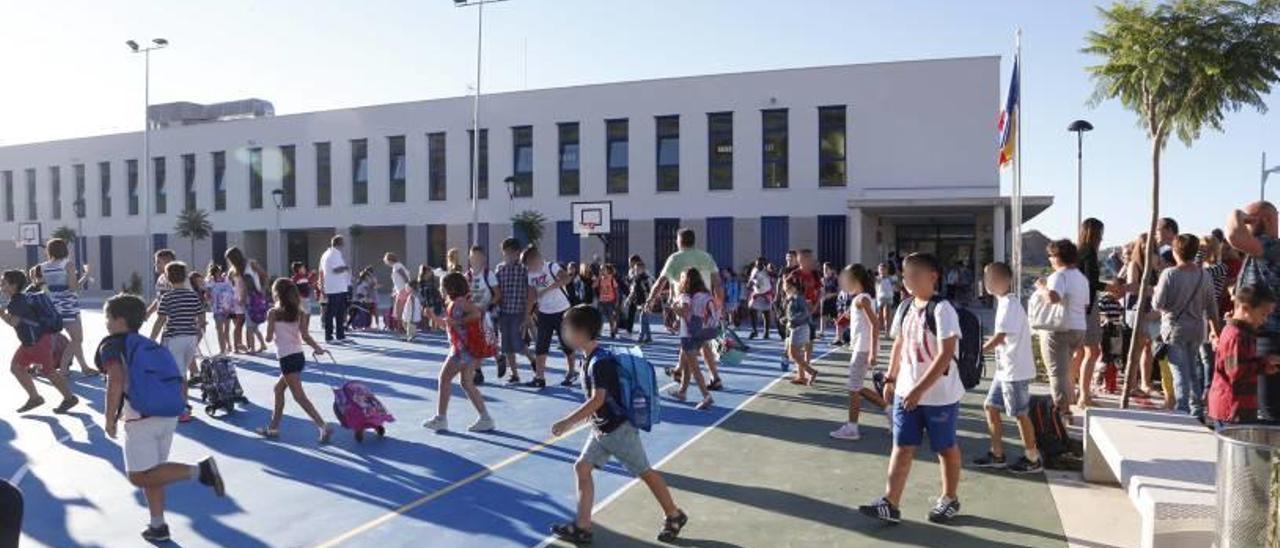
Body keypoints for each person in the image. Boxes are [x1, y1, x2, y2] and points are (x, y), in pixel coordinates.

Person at [549, 304, 689, 544]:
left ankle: (674, 515)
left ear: (581, 332)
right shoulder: (589, 358)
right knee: (582, 468)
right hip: (602, 428)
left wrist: (568, 422)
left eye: (567, 327)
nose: (563, 332)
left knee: (645, 472)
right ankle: (582, 527)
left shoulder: (599, 362)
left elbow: (598, 399)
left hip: (618, 429)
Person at [97, 293, 226, 542]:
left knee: (139, 475)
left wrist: (109, 417)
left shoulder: (112, 345)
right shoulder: (148, 344)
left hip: (139, 415)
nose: (106, 322)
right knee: (153, 473)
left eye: (108, 317)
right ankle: (158, 525)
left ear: (119, 320)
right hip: (167, 414)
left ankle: (201, 471)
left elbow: (115, 380)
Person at [859, 252, 964, 525]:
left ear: (932, 277)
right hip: (906, 393)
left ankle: (950, 498)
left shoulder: (943, 309)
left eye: (915, 274)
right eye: (905, 275)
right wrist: (891, 379)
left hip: (939, 397)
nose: (908, 280)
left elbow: (946, 354)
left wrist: (919, 390)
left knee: (945, 448)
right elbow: (899, 344)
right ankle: (890, 503)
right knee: (902, 446)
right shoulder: (905, 307)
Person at [972, 262, 1042, 473]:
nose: (989, 283)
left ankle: (1032, 458)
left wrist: (976, 351)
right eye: (986, 278)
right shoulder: (1003, 303)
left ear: (1007, 281)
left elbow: (1000, 337)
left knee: (1020, 413)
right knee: (990, 406)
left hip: (1014, 370)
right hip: (1005, 369)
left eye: (993, 278)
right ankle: (997, 454)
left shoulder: (1010, 304)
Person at [252, 278, 334, 444]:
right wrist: (318, 348)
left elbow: (268, 338)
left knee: (299, 396)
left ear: (277, 294)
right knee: (278, 389)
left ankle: (322, 425)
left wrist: (269, 328)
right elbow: (305, 335)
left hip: (286, 358)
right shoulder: (300, 312)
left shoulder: (273, 313)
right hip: (298, 356)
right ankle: (273, 428)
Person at [1152, 234, 1219, 420]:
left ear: (1175, 251)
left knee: (1180, 372)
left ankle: (1183, 411)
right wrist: (1216, 330)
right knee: (1192, 370)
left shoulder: (1170, 274)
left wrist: (1157, 291)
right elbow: (1212, 306)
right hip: (1197, 328)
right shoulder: (1203, 275)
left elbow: (1157, 304)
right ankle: (1196, 410)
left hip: (1175, 329)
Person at [649, 228, 724, 390]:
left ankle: (688, 380)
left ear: (679, 240)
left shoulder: (675, 259)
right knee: (701, 342)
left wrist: (650, 299)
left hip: (687, 307)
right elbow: (717, 282)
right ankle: (685, 372)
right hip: (705, 305)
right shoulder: (706, 257)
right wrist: (719, 305)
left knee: (692, 342)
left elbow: (660, 282)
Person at [423, 272, 496, 433]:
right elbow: (447, 325)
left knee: (444, 378)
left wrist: (458, 321)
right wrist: (433, 317)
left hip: (461, 350)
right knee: (466, 383)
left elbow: (476, 314)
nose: (440, 289)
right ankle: (485, 418)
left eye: (442, 286)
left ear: (450, 288)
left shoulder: (460, 303)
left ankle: (441, 418)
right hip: (466, 350)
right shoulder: (453, 304)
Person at [3, 269, 78, 414]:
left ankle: (69, 398)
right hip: (30, 341)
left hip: (39, 341)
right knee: (16, 367)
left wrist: (2, 315)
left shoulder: (17, 302)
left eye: (4, 283)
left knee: (48, 371)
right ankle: (35, 398)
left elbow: (14, 322)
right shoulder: (20, 299)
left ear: (14, 285)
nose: (1, 286)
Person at [1208, 285, 1279, 429]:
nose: (1265, 320)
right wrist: (1264, 363)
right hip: (1231, 409)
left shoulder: (1245, 333)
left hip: (1240, 406)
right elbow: (1234, 371)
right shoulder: (1235, 336)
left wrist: (1264, 365)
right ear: (1246, 308)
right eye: (1263, 314)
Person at [829, 264, 886, 441]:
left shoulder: (862, 299)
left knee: (853, 388)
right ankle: (892, 412)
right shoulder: (861, 298)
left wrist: (873, 353)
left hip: (863, 348)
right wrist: (843, 318)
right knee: (856, 386)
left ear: (855, 280)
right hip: (861, 347)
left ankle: (852, 428)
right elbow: (856, 317)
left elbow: (876, 324)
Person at [1034, 240, 1090, 417]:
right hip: (1078, 327)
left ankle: (1062, 412)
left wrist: (1042, 288)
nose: (1050, 260)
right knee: (1065, 370)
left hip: (1059, 329)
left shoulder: (1059, 276)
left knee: (1056, 373)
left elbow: (1053, 297)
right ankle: (1068, 403)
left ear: (1058, 257)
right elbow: (1085, 303)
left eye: (1051, 256)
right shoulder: (1082, 278)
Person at [148, 262, 206, 424]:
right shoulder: (193, 296)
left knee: (178, 376)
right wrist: (197, 331)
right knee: (182, 373)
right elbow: (202, 320)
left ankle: (181, 408)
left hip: (174, 339)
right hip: (190, 339)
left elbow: (160, 321)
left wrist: (152, 339)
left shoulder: (167, 297)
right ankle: (181, 405)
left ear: (167, 278)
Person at [39, 238, 98, 377]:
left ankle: (84, 367)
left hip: (53, 306)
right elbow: (74, 288)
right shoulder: (68, 265)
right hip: (68, 306)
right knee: (77, 339)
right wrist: (87, 275)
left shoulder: (44, 266)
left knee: (73, 339)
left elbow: (47, 286)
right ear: (64, 249)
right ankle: (64, 368)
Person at [524, 246, 576, 389]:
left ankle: (571, 371)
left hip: (561, 310)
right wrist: (527, 315)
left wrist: (548, 288)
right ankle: (539, 377)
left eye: (529, 263)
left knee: (566, 343)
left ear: (535, 259)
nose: (528, 267)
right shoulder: (530, 275)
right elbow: (531, 295)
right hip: (544, 313)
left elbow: (566, 278)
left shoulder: (552, 267)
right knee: (541, 345)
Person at [667, 268, 717, 410]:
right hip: (703, 332)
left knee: (694, 367)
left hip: (688, 334)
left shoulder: (685, 296)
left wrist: (674, 308)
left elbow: (685, 311)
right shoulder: (705, 295)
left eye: (682, 278)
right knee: (687, 364)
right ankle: (682, 391)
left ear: (686, 281)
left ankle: (706, 396)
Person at [1072, 218, 1107, 409]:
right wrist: (1110, 287)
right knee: (1092, 351)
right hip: (1087, 306)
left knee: (1079, 351)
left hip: (1078, 307)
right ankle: (1084, 395)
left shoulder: (1078, 252)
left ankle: (1071, 391)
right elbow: (1091, 282)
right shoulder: (1089, 252)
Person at [495, 238, 536, 384]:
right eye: (506, 253)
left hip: (519, 311)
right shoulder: (500, 269)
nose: (508, 256)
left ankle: (533, 360)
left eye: (512, 253)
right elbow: (496, 289)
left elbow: (531, 291)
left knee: (517, 341)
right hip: (504, 311)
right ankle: (514, 373)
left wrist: (528, 314)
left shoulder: (524, 270)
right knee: (506, 345)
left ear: (518, 253)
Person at [782, 276, 818, 385]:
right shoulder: (792, 297)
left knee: (793, 354)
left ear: (793, 287)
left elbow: (805, 312)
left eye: (787, 286)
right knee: (795, 353)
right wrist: (786, 319)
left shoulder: (798, 298)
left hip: (800, 327)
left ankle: (811, 372)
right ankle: (802, 376)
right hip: (797, 327)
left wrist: (792, 319)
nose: (785, 288)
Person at [318, 235, 352, 343]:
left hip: (338, 287)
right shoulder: (334, 254)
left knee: (340, 312)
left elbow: (321, 271)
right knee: (332, 312)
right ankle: (329, 337)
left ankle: (340, 335)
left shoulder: (327, 253)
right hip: (335, 288)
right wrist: (346, 268)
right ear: (340, 243)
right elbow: (336, 270)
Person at [207, 263, 235, 355]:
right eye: (218, 271)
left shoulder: (225, 280)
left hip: (226, 308)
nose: (219, 272)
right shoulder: (211, 281)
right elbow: (207, 294)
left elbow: (231, 291)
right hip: (219, 308)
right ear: (215, 272)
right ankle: (223, 349)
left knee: (225, 329)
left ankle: (228, 346)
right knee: (220, 329)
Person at [628, 257, 655, 344]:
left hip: (644, 302)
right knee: (645, 320)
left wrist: (648, 302)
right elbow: (633, 290)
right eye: (635, 270)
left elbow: (648, 291)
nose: (635, 271)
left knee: (642, 319)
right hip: (639, 302)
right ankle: (649, 337)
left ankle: (641, 337)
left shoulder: (644, 279)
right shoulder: (636, 279)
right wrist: (629, 298)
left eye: (637, 270)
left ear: (643, 270)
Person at [747, 257, 775, 339]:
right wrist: (750, 283)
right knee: (752, 310)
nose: (758, 265)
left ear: (764, 264)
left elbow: (774, 274)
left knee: (766, 313)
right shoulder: (754, 270)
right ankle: (754, 330)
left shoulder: (767, 271)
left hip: (766, 293)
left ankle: (766, 332)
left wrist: (771, 269)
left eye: (760, 264)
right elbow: (751, 280)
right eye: (757, 264)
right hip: (757, 293)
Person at [385, 253, 412, 331]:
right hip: (401, 290)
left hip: (402, 290)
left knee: (399, 311)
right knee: (401, 310)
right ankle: (402, 327)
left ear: (389, 260)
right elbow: (398, 280)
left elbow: (403, 276)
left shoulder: (397, 266)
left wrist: (407, 283)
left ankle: (401, 328)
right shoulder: (399, 265)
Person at [596, 263, 621, 339]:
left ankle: (612, 331)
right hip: (601, 301)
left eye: (603, 269)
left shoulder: (612, 279)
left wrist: (617, 301)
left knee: (610, 317)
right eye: (601, 269)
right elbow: (594, 285)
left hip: (610, 301)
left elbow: (616, 290)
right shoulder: (600, 279)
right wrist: (598, 277)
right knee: (599, 317)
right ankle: (599, 332)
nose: (602, 270)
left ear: (608, 270)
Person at [417, 265, 444, 330]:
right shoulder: (422, 283)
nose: (431, 272)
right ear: (425, 273)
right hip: (429, 302)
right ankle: (431, 329)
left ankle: (434, 328)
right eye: (429, 271)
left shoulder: (431, 280)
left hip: (434, 301)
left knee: (435, 316)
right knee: (431, 316)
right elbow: (423, 294)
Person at [875, 262, 899, 333]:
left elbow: (897, 287)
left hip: (888, 297)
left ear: (887, 270)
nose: (882, 271)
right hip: (879, 298)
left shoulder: (891, 278)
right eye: (880, 269)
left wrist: (895, 283)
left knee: (887, 315)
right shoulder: (877, 279)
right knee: (879, 315)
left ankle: (887, 331)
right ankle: (879, 329)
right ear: (878, 270)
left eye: (883, 269)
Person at [819, 262, 839, 337]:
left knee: (835, 317)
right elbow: (821, 290)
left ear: (831, 269)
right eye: (824, 268)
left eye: (827, 268)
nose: (825, 270)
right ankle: (822, 331)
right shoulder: (822, 279)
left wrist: (830, 295)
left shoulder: (835, 279)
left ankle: (838, 333)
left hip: (834, 300)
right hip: (824, 300)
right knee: (823, 315)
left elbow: (839, 291)